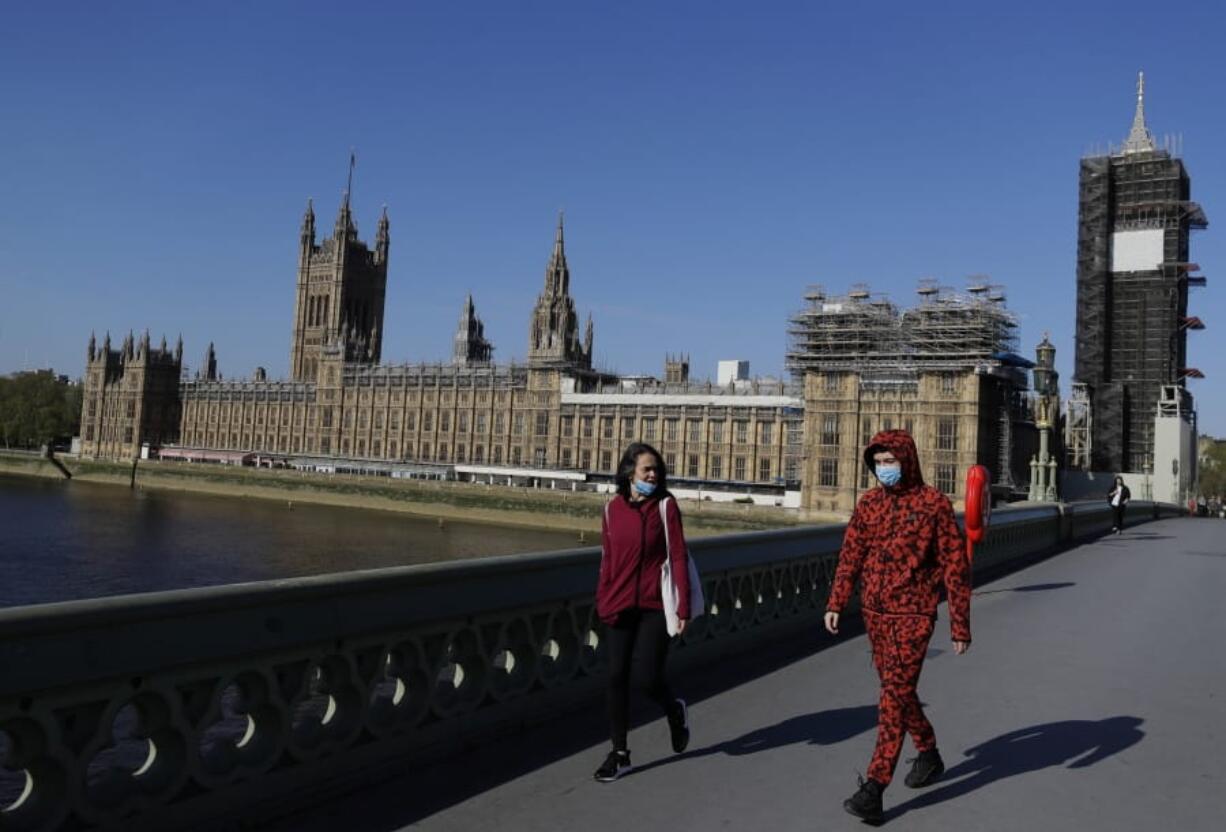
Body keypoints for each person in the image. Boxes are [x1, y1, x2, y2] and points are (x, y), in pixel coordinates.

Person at [823, 430, 972, 824]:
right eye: (878, 462)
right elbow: (850, 554)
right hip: (874, 613)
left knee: (891, 697)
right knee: (900, 692)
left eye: (891, 461)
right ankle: (929, 753)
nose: (883, 469)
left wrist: (960, 624)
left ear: (908, 460)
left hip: (915, 614)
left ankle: (874, 787)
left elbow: (956, 568)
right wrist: (837, 600)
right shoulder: (869, 503)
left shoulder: (934, 506)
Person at [592, 442, 692, 782]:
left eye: (656, 469)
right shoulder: (611, 510)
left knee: (647, 678)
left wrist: (683, 606)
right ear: (628, 471)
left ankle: (673, 710)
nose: (654, 474)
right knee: (615, 677)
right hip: (618, 603)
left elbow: (678, 556)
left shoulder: (665, 507)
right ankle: (620, 753)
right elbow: (607, 559)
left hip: (653, 605)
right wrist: (603, 597)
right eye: (647, 469)